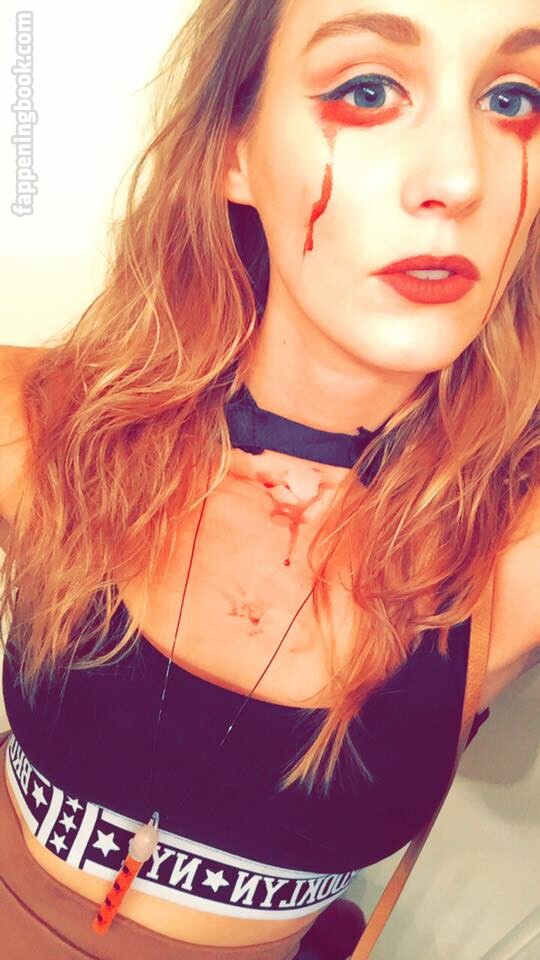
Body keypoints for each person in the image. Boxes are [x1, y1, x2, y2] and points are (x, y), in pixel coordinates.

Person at [0, 0, 539, 958]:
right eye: (368, 91)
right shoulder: (41, 425)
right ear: (233, 150)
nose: (460, 179)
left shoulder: (515, 549)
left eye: (513, 100)